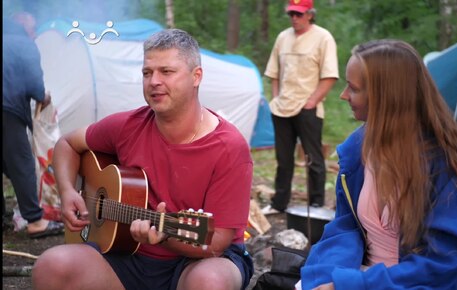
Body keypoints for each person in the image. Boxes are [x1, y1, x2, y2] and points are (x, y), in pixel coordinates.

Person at [32, 28, 254, 290]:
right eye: (147, 73)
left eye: (166, 72)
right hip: (127, 254)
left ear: (197, 77)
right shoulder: (128, 125)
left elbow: (215, 242)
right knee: (51, 266)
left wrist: (161, 238)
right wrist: (68, 191)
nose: (154, 81)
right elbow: (67, 143)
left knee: (209, 282)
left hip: (199, 261)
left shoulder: (229, 147)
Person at [299, 39, 457, 289]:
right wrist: (327, 277)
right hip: (363, 276)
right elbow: (346, 227)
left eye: (353, 88)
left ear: (386, 97)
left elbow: (443, 263)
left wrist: (351, 285)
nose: (344, 95)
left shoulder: (447, 163)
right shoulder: (356, 151)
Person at [262, 0, 339, 215]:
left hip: (308, 107)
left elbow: (329, 75)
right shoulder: (283, 37)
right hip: (282, 107)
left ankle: (316, 205)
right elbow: (274, 73)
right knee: (283, 159)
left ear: (310, 15)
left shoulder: (323, 37)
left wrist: (312, 101)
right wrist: (275, 98)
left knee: (313, 158)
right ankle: (279, 203)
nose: (294, 18)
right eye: (292, 14)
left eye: (299, 14)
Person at [2, 12, 64, 238]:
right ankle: (36, 221)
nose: (35, 31)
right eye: (32, 27)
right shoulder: (24, 44)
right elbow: (34, 84)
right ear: (22, 26)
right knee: (22, 165)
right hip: (7, 110)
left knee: (7, 162)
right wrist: (42, 96)